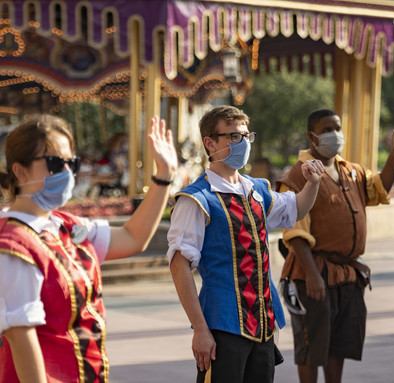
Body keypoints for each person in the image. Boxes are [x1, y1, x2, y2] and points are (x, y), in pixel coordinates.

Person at [0, 114, 177, 382]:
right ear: (20, 171)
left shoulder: (66, 225)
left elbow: (132, 237)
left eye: (71, 163)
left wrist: (164, 176)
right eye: (54, 163)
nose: (66, 173)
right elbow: (20, 336)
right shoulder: (12, 243)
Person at [167, 105, 324, 383]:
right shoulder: (197, 199)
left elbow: (295, 210)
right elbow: (180, 267)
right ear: (209, 143)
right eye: (232, 137)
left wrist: (312, 184)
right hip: (223, 325)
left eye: (245, 136)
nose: (242, 143)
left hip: (262, 323)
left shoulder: (257, 189)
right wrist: (200, 330)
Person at [277, 109, 394, 383]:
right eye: (327, 129)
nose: (334, 134)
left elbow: (379, 188)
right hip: (312, 274)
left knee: (338, 344)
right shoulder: (298, 176)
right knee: (311, 345)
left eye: (337, 127)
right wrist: (312, 276)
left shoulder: (351, 171)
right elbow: (295, 232)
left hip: (347, 274)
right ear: (312, 136)